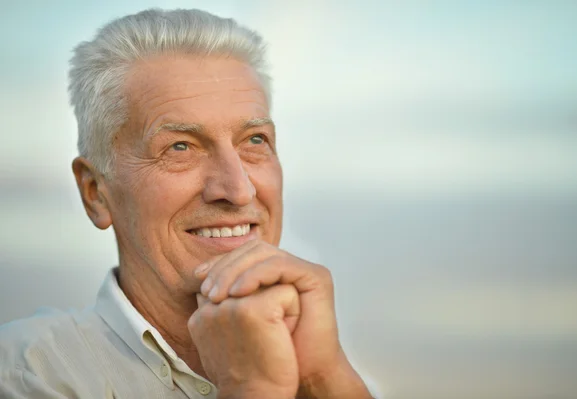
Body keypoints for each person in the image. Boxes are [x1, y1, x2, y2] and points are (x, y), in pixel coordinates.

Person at [0, 8, 373, 399]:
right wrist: (254, 388)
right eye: (180, 147)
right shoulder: (26, 372)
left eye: (255, 141)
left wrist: (323, 380)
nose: (238, 189)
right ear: (96, 193)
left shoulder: (332, 373)